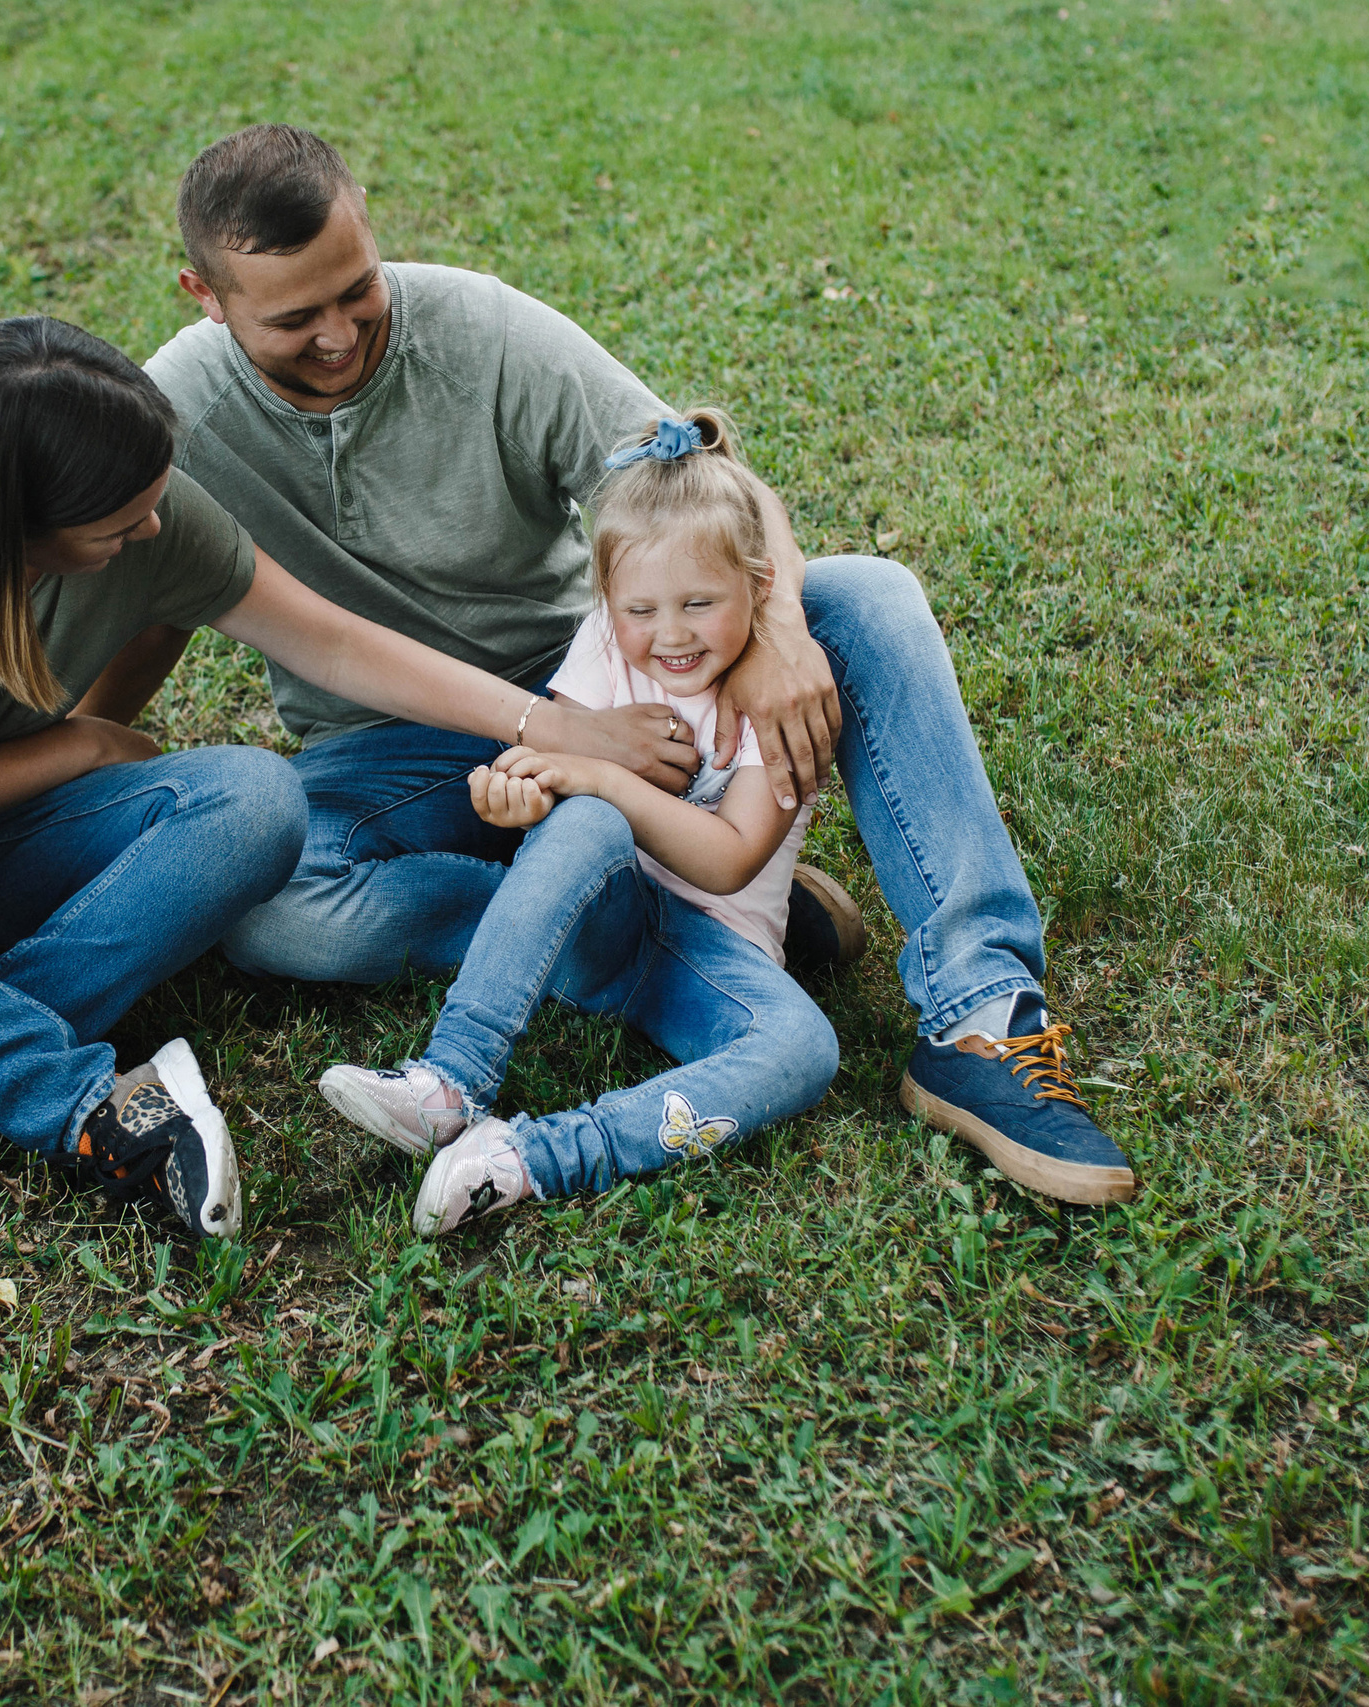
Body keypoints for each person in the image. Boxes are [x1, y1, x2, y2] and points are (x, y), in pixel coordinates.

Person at [142, 125, 1136, 1206]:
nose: (339, 335)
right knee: (270, 907)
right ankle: (644, 916)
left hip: (598, 693)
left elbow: (707, 477)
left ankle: (980, 1019)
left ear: (369, 222)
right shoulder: (176, 407)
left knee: (867, 598)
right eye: (294, 319)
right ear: (206, 294)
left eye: (357, 290)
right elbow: (132, 590)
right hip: (391, 750)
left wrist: (781, 627)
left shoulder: (483, 329)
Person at [0, 316, 716, 1239]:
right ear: (15, 528)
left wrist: (554, 722)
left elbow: (337, 645)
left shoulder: (136, 505)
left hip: (9, 848)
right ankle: (74, 1104)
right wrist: (75, 747)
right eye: (118, 525)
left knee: (255, 800)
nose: (153, 531)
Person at [322, 411, 835, 1233]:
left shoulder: (773, 700)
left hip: (706, 959)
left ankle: (527, 1159)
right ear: (607, 601)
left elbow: (730, 858)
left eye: (700, 603)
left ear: (760, 587)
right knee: (588, 822)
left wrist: (597, 775)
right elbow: (563, 807)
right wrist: (520, 797)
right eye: (642, 609)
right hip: (600, 922)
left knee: (806, 1048)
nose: (669, 634)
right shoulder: (607, 642)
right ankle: (448, 1083)